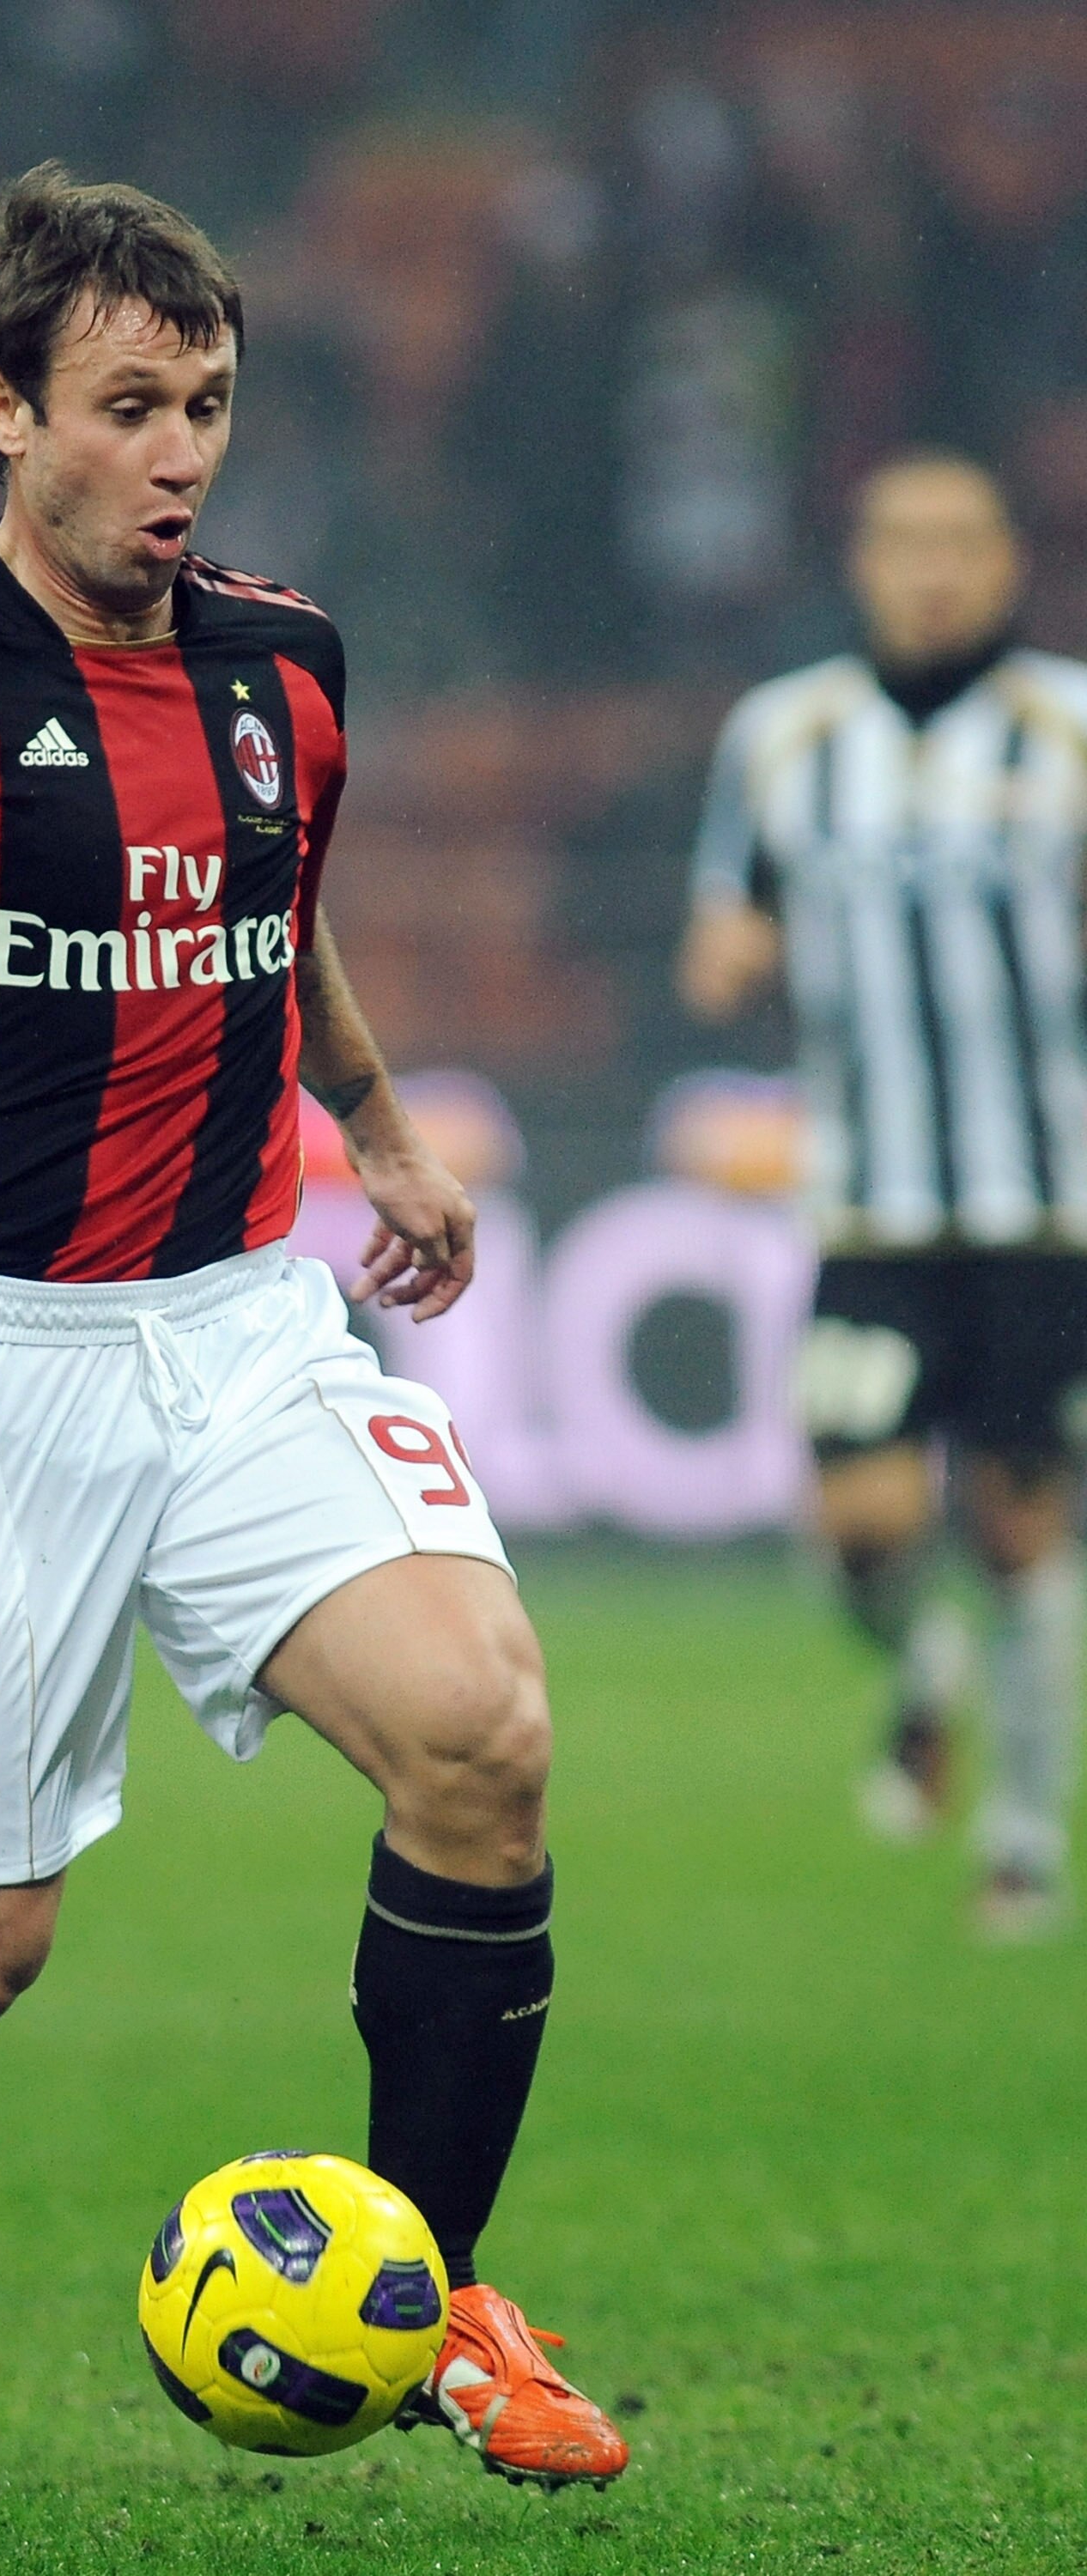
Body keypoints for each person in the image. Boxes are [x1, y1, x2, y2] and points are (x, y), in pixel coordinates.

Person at [0, 163, 627, 2527]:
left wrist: (378, 1130)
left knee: (482, 1736)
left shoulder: (287, 658)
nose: (179, 453)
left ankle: (439, 2287)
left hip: (239, 1325)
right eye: (127, 407)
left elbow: (275, 920)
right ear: (5, 409)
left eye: (206, 405)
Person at [679, 452, 1087, 1941]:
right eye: (902, 541)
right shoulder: (786, 735)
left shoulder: (1071, 727)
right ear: (860, 561)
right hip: (870, 1203)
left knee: (1019, 1524)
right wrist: (728, 965)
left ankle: (1024, 1850)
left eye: (959, 543)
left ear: (1005, 562)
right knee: (859, 1520)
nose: (931, 569)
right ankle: (925, 1671)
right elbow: (724, 925)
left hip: (1045, 1205)